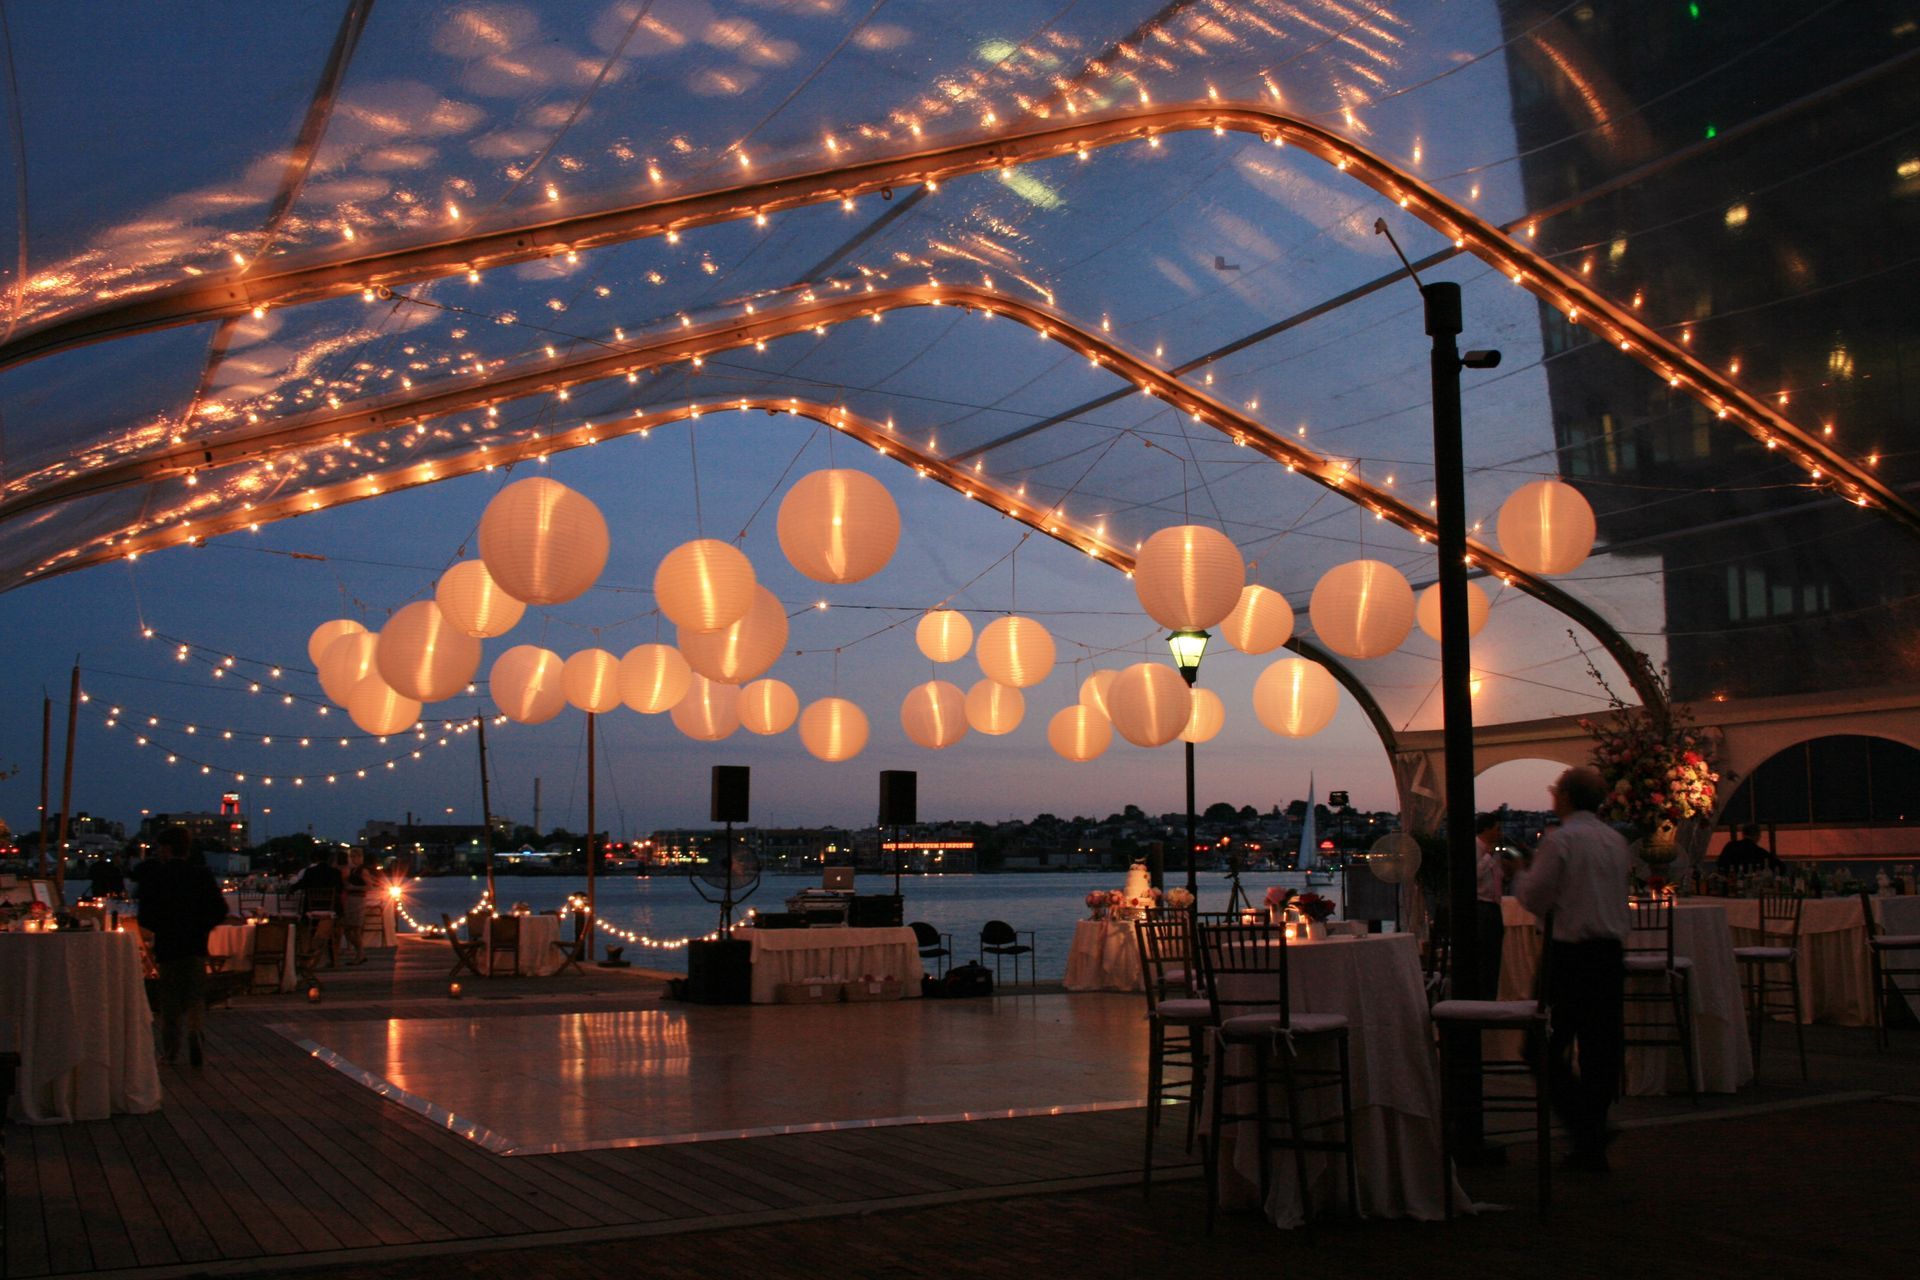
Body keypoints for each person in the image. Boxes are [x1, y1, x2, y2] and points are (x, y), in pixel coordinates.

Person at [1514, 765, 1630, 1171]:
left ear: (1564, 797)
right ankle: (1591, 1143)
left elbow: (1536, 898)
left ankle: (1585, 1127)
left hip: (1569, 955)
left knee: (1540, 1046)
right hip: (1610, 954)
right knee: (1600, 1050)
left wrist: (1520, 875)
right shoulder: (1615, 841)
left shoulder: (1560, 841)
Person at [136, 826, 228, 1067]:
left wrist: (161, 926)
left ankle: (171, 1050)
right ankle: (195, 1029)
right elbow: (220, 909)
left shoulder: (156, 877)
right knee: (195, 993)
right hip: (196, 942)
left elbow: (145, 916)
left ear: (166, 849)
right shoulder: (201, 875)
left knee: (170, 998)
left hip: (168, 943)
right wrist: (202, 926)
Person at [1474, 813, 1512, 999]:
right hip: (1482, 906)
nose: (1499, 833)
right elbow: (1474, 874)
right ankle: (1483, 995)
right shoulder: (1476, 847)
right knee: (1486, 955)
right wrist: (1488, 856)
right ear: (1486, 829)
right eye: (1497, 829)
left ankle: (1492, 993)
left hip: (1494, 905)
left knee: (1495, 954)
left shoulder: (1493, 851)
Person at [340, 849, 373, 964]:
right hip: (350, 900)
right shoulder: (352, 870)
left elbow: (369, 887)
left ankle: (360, 953)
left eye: (355, 857)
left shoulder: (363, 871)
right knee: (348, 929)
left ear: (360, 858)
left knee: (354, 929)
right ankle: (360, 952)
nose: (353, 859)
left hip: (358, 900)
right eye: (351, 857)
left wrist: (352, 887)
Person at [1717, 824, 1782, 875]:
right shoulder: (1760, 852)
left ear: (1743, 834)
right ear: (1758, 836)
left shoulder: (1730, 846)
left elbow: (1720, 864)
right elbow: (1780, 866)